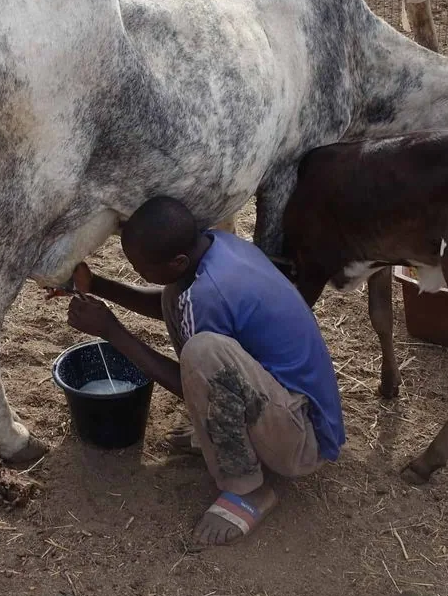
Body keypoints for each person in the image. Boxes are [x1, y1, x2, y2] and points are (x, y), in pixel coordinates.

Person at [51, 196, 344, 546]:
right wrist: (97, 285)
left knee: (203, 353)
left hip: (303, 440)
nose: (137, 272)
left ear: (177, 260)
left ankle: (248, 490)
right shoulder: (217, 249)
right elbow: (171, 299)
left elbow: (193, 380)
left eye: (140, 268)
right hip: (286, 407)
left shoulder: (208, 295)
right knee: (176, 299)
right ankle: (232, 436)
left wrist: (113, 332)